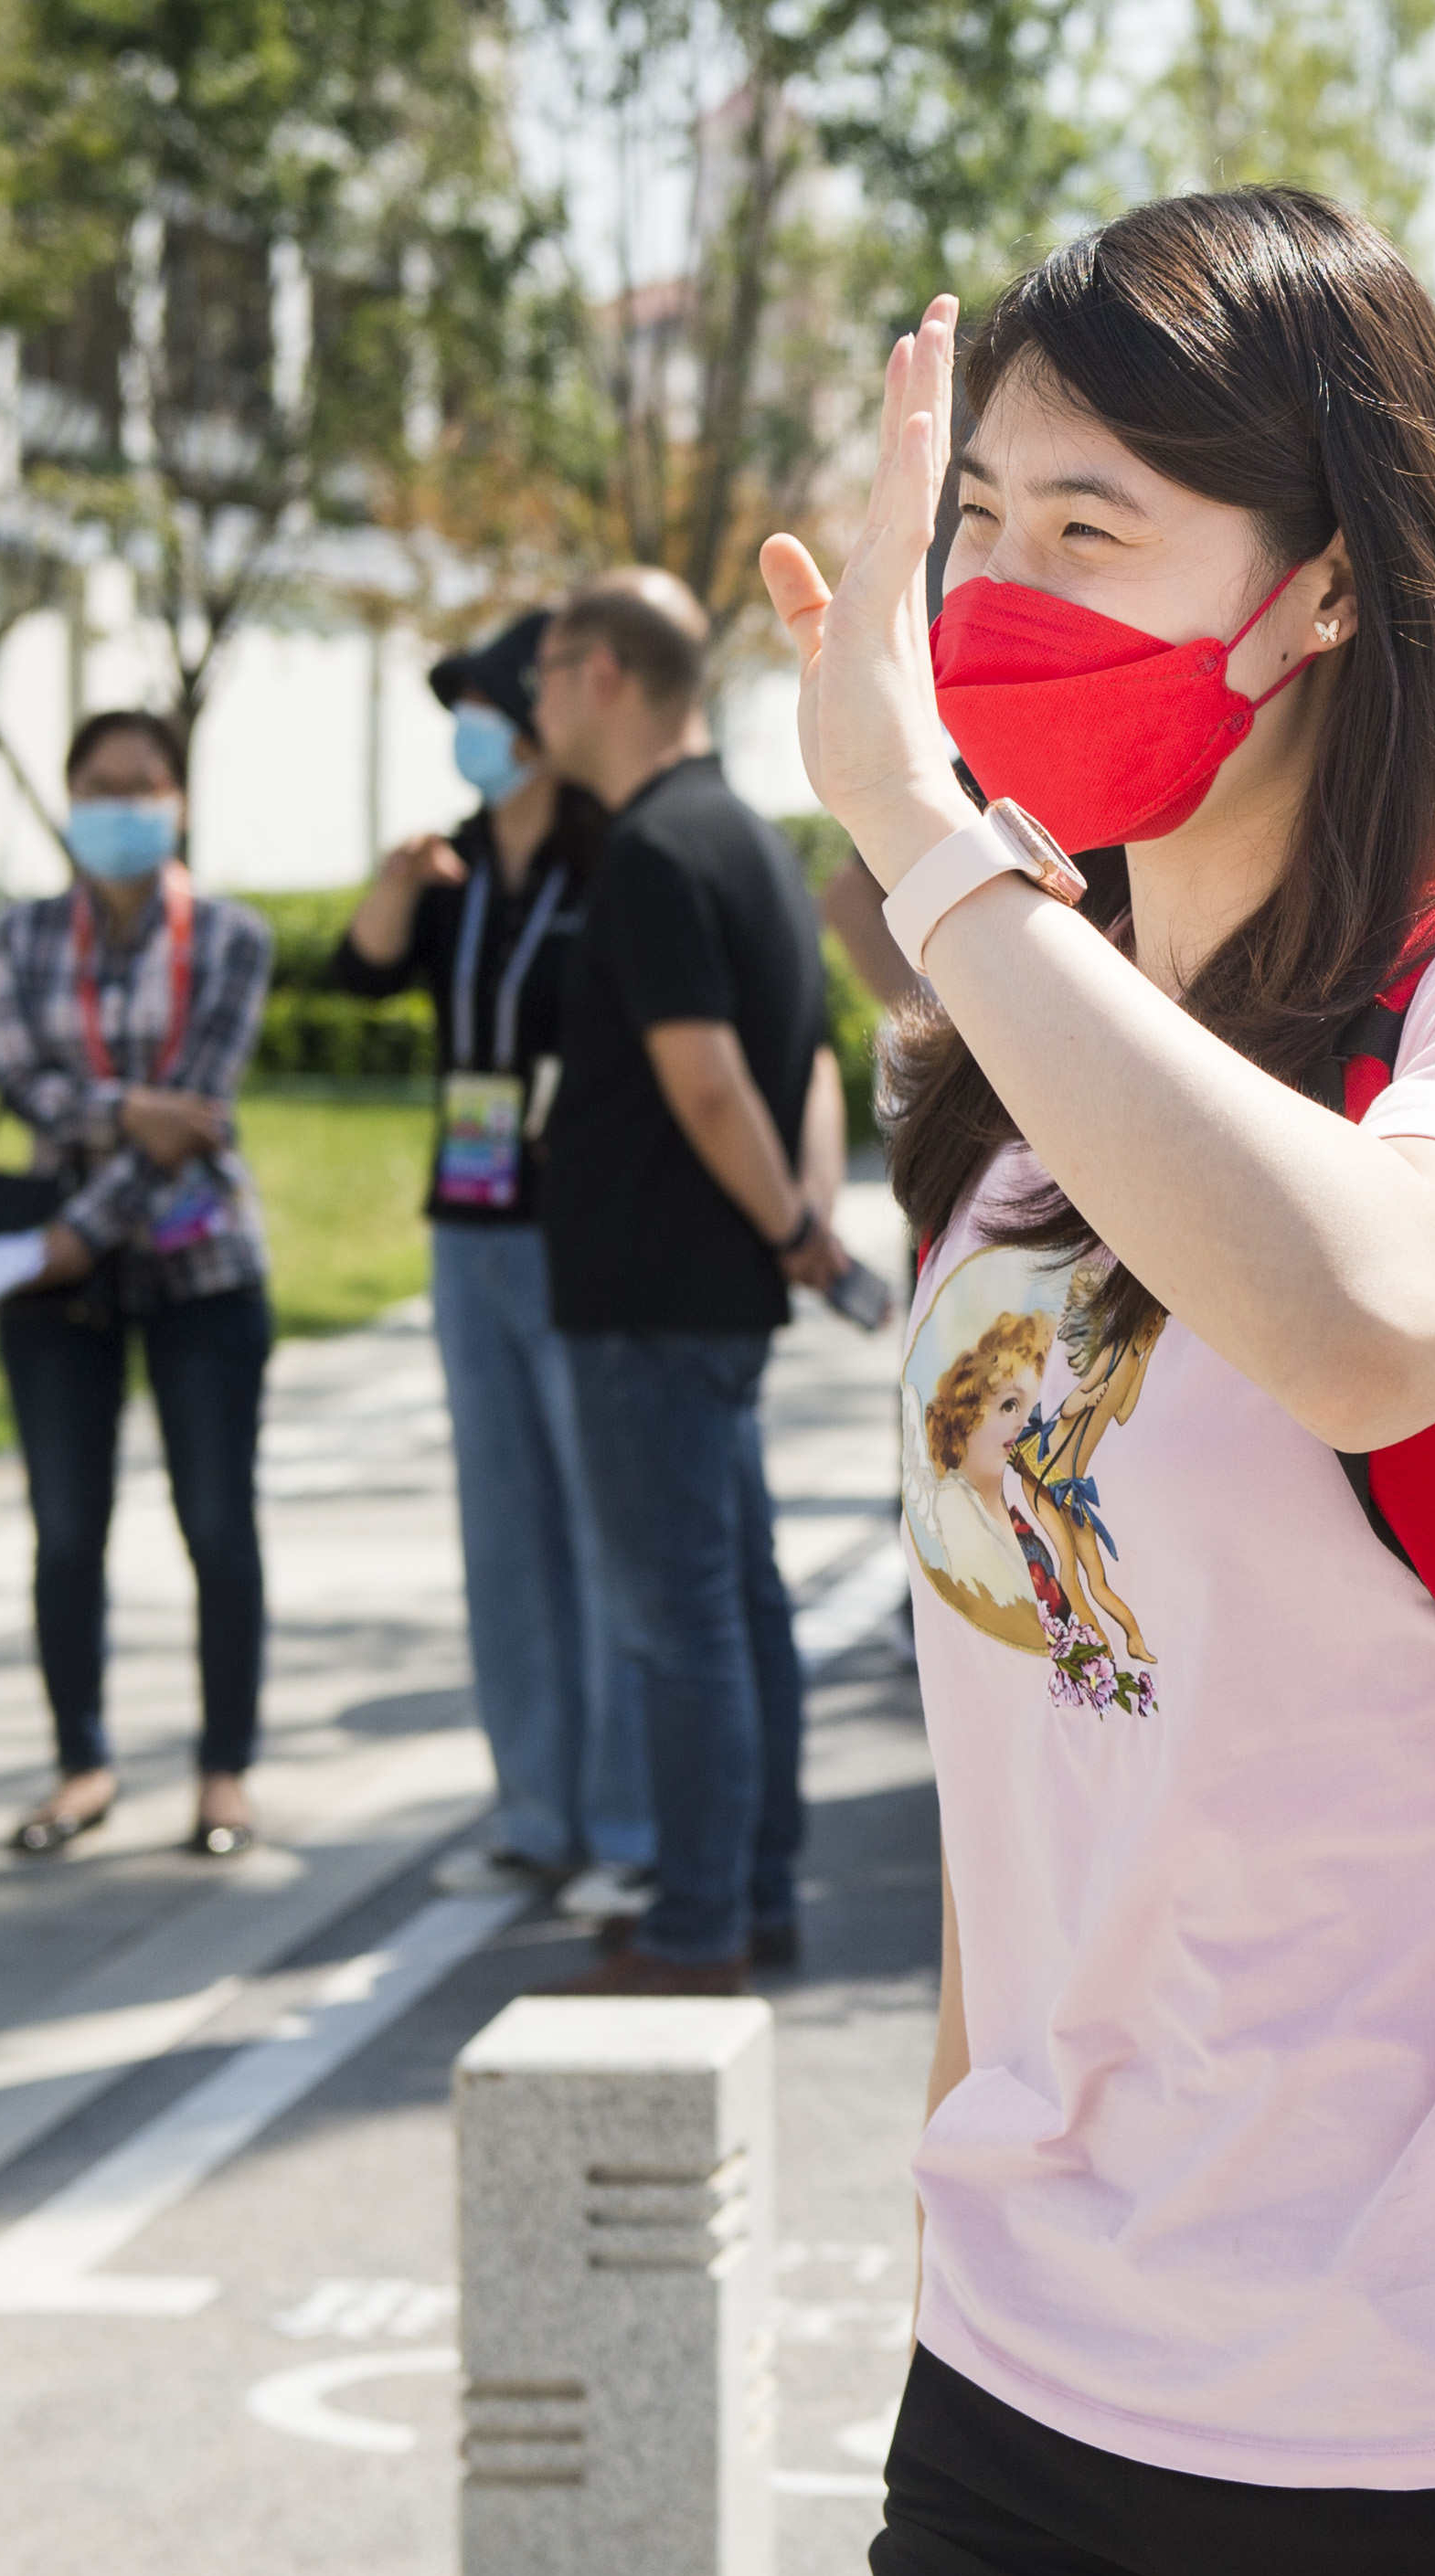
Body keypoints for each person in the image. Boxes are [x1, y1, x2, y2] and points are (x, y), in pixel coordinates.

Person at [766, 189, 1435, 2576]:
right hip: (1030, 2384)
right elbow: (1033, 1715)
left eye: (1091, 527)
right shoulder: (1017, 1052)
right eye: (973, 525)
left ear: (1321, 586)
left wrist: (925, 849)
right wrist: (960, 2186)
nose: (998, 597)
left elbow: (1353, 1315)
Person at [533, 566, 845, 1995]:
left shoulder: (657, 852)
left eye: (544, 672)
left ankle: (700, 1919)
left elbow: (712, 1083)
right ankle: (753, 1888)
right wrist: (807, 1219)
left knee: (683, 1620)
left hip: (656, 1297)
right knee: (738, 1605)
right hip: (706, 1294)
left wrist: (787, 1222)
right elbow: (821, 1059)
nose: (529, 704)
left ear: (603, 673)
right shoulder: (747, 838)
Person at [329, 613, 653, 1919]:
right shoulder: (452, 869)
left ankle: (629, 1818)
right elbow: (353, 976)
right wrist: (392, 887)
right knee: (503, 1528)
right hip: (466, 1231)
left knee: (601, 1529)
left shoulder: (609, 864)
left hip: (574, 1228)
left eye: (483, 706)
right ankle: (533, 1812)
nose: (468, 733)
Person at [0, 710, 277, 1860]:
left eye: (142, 785)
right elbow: (23, 1081)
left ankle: (224, 1773)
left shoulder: (228, 938)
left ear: (178, 800)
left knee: (216, 1521)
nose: (120, 806)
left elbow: (195, 1115)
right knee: (65, 1528)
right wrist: (125, 1115)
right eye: (99, 786)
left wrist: (79, 1222)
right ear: (67, 797)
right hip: (53, 1288)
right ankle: (81, 1762)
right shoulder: (20, 934)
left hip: (198, 1265)